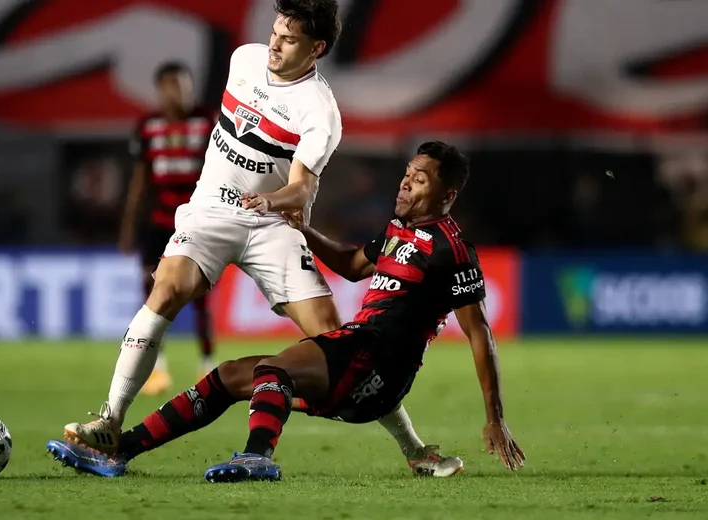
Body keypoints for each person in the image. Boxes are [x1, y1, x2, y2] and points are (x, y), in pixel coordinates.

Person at [62, 0, 431, 468]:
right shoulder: (244, 60)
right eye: (275, 32)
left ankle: (414, 449)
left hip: (274, 224)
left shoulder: (319, 112)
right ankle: (110, 421)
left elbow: (301, 189)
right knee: (167, 288)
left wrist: (271, 201)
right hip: (212, 211)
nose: (275, 44)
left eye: (289, 39)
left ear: (316, 48)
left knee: (335, 340)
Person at [47, 141, 526, 481]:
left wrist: (495, 417)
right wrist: (305, 231)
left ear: (447, 196)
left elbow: (479, 333)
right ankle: (120, 450)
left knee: (274, 370)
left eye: (419, 180)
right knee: (228, 376)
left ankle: (258, 457)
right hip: (359, 357)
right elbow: (352, 265)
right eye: (407, 174)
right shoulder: (397, 230)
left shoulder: (451, 251)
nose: (405, 184)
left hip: (378, 360)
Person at [120, 62, 216, 395]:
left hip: (196, 223)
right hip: (158, 223)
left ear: (191, 88)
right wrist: (128, 225)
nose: (176, 92)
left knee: (200, 295)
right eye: (169, 86)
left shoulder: (208, 123)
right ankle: (156, 368)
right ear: (159, 90)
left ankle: (206, 364)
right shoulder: (148, 127)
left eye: (181, 85)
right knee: (153, 295)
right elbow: (140, 180)